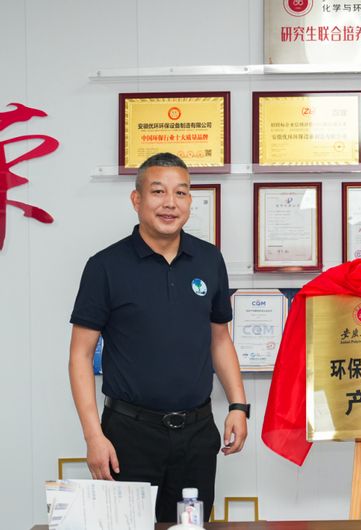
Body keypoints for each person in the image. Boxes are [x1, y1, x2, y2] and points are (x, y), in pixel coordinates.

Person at [68, 152, 249, 522]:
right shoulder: (105, 266)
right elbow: (80, 356)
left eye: (180, 192)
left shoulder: (209, 259)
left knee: (191, 527)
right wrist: (93, 436)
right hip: (128, 435)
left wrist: (238, 406)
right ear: (137, 199)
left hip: (197, 434)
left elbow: (220, 340)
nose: (170, 203)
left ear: (190, 201)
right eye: (158, 191)